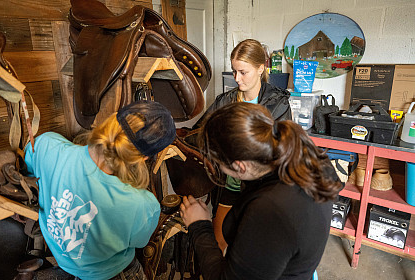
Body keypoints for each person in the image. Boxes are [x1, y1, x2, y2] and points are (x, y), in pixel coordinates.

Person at [180, 102, 342, 280]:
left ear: (240, 166)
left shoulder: (271, 211)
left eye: (218, 164)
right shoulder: (307, 158)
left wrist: (200, 226)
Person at [24, 100, 176, 280]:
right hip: (111, 274)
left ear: (112, 120)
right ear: (143, 158)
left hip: (63, 261)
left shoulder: (45, 145)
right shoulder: (143, 204)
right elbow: (140, 242)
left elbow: (29, 166)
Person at [194, 38, 292, 252]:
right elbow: (199, 131)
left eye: (243, 72)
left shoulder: (278, 104)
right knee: (219, 240)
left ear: (260, 68)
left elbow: (283, 149)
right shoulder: (225, 101)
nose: (237, 78)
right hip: (229, 185)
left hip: (263, 188)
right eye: (234, 71)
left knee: (255, 246)